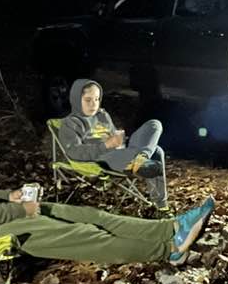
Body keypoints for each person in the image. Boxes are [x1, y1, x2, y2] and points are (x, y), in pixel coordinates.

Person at [0, 76, 212, 266]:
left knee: (89, 215)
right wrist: (18, 211)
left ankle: (169, 227)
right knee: (86, 235)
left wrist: (9, 196)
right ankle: (169, 248)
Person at [59, 79, 168, 209]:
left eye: (97, 99)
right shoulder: (71, 123)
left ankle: (141, 158)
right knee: (157, 152)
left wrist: (119, 137)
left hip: (122, 150)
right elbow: (74, 152)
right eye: (88, 100)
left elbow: (112, 134)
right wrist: (105, 145)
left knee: (154, 124)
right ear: (76, 99)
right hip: (103, 157)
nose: (93, 104)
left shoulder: (102, 115)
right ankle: (160, 207)